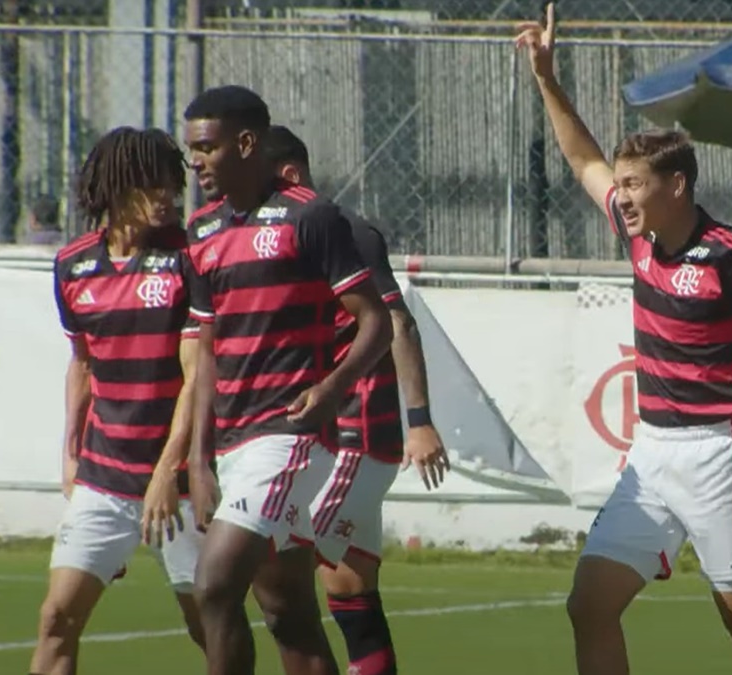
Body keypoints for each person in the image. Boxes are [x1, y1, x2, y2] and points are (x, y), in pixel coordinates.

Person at [517, 6, 732, 675]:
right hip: (651, 453)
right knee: (589, 603)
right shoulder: (636, 235)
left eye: (632, 184)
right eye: (618, 185)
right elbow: (579, 154)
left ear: (676, 185)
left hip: (719, 453)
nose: (618, 197)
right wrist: (545, 76)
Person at [181, 86, 394, 675]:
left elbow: (376, 323)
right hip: (232, 442)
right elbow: (206, 352)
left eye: (207, 147)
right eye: (190, 150)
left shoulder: (310, 216)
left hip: (291, 437)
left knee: (216, 584)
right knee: (287, 611)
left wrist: (334, 388)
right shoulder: (200, 233)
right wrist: (199, 461)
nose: (195, 162)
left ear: (246, 143)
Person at [263, 124, 451, 675]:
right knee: (349, 587)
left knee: (285, 545)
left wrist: (419, 422)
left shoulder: (346, 231)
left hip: (359, 433)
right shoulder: (274, 237)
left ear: (289, 176)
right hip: (324, 435)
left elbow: (398, 323)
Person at [33, 127, 206, 675]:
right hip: (103, 480)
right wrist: (70, 456)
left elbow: (197, 375)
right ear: (114, 187)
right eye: (150, 185)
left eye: (170, 185)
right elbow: (82, 363)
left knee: (209, 625)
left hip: (175, 484)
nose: (166, 197)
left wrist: (167, 471)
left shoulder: (189, 259)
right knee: (56, 618)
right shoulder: (73, 266)